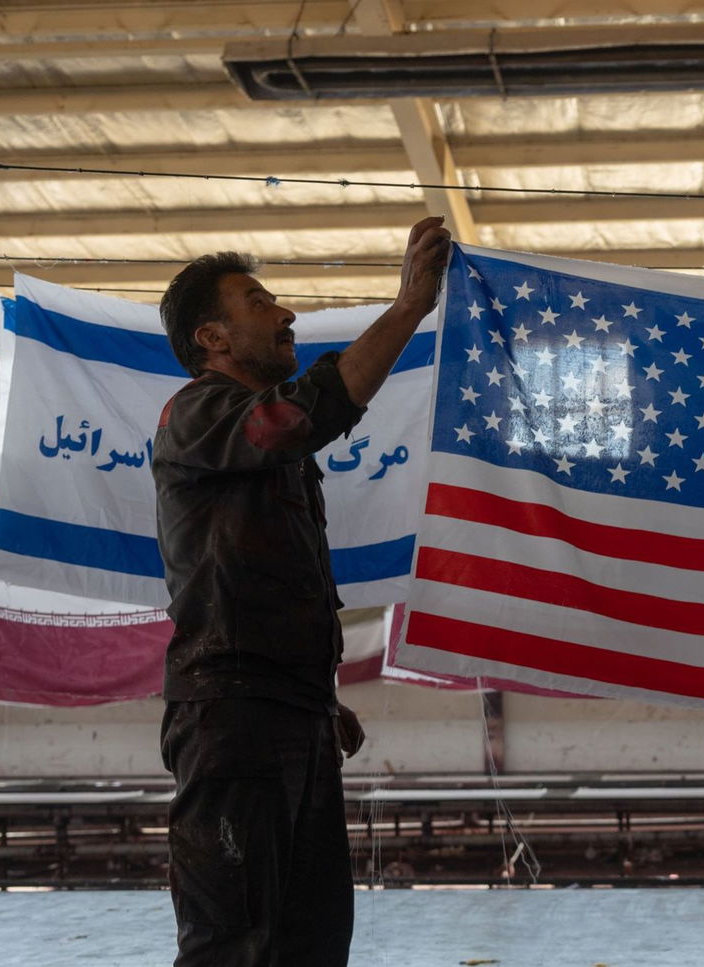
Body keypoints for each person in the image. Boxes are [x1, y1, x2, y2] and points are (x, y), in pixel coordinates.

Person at [152, 216, 451, 966]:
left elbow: (261, 582)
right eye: (259, 303)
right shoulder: (198, 413)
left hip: (279, 711)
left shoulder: (262, 448)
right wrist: (409, 307)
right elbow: (297, 417)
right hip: (234, 716)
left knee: (307, 941)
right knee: (237, 942)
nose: (285, 314)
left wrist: (315, 698)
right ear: (213, 338)